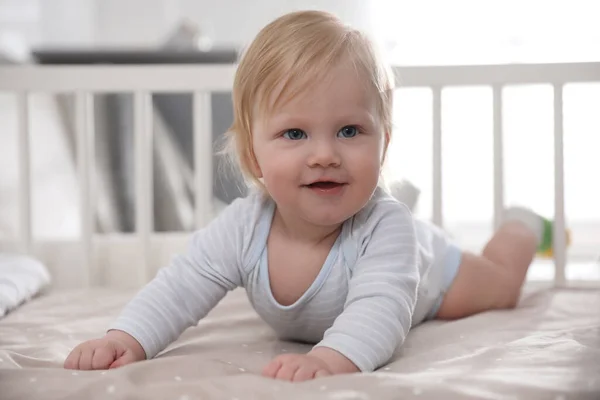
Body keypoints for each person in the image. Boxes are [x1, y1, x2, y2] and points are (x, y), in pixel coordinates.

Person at [63, 10, 561, 382]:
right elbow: (180, 287)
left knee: (501, 285)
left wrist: (330, 358)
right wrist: (125, 338)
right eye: (295, 134)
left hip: (432, 274)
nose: (324, 154)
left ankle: (524, 226)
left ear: (383, 142)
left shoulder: (384, 225)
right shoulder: (244, 227)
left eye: (349, 130)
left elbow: (382, 310)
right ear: (254, 156)